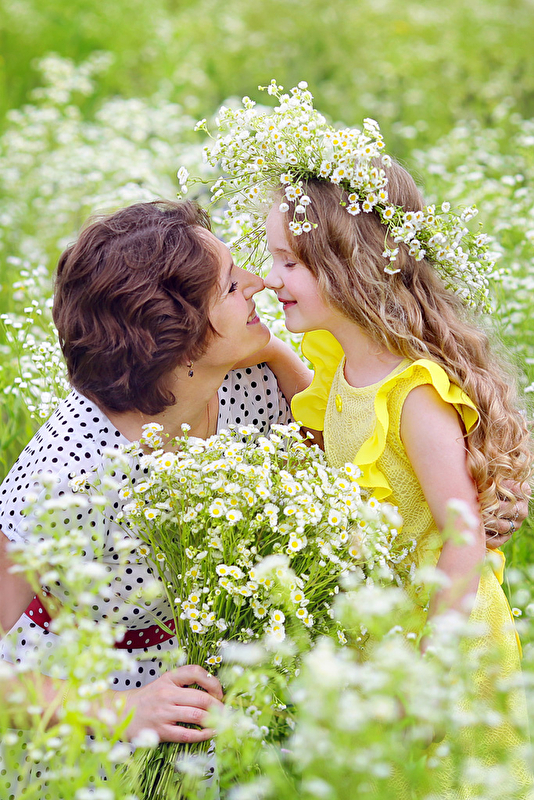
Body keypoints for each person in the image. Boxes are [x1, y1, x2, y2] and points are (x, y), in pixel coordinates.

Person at [0, 199, 310, 747]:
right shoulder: (68, 471)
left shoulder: (250, 381)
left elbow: (345, 464)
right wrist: (120, 711)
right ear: (179, 338)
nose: (259, 282)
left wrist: (283, 358)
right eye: (231, 286)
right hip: (83, 715)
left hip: (208, 686)